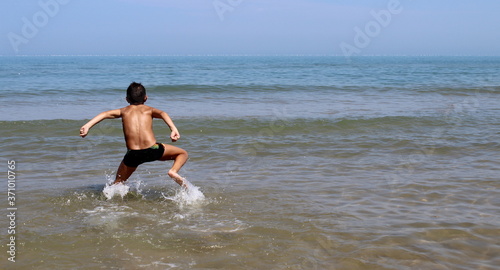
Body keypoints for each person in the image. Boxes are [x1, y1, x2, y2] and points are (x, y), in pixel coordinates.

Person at [79, 82, 188, 188]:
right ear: (146, 98)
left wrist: (87, 126)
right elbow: (163, 113)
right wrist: (173, 129)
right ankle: (173, 172)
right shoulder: (149, 110)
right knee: (182, 154)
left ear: (127, 99)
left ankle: (111, 203)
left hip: (133, 154)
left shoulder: (123, 111)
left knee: (117, 183)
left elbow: (105, 114)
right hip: (152, 149)